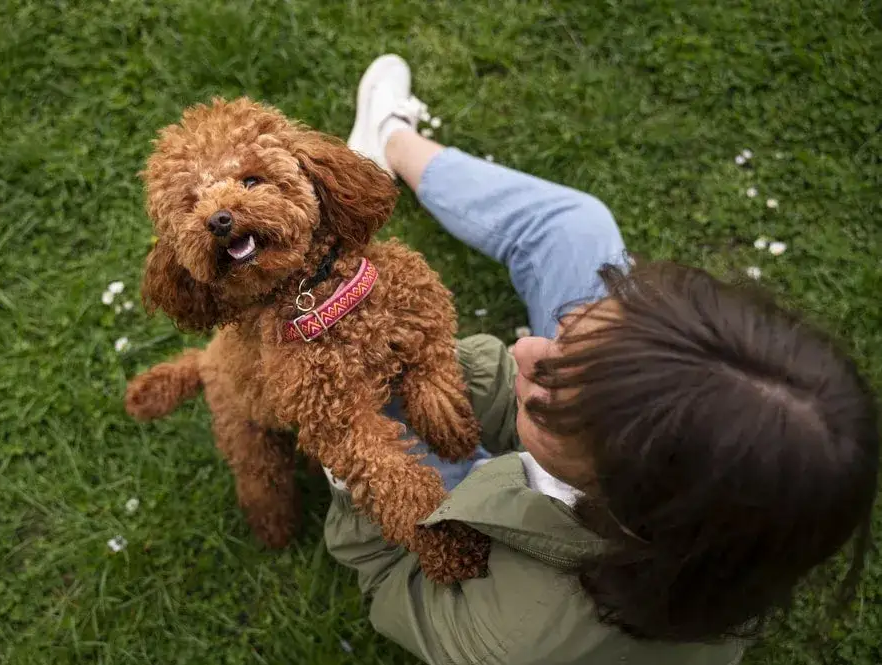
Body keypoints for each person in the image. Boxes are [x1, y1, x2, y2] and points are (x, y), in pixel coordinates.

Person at [321, 55, 881, 665]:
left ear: (620, 495)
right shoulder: (759, 509)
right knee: (576, 229)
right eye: (575, 335)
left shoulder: (518, 641)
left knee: (378, 423)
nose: (523, 349)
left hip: (500, 535)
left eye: (555, 382)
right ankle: (390, 141)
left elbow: (389, 579)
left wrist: (355, 469)